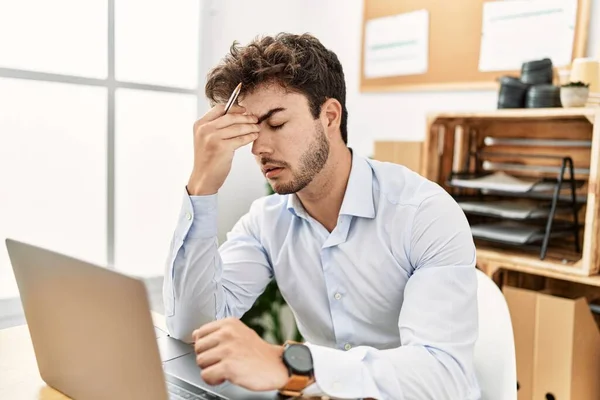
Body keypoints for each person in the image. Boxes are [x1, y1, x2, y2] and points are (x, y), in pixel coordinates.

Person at [163, 33, 480, 399]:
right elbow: (192, 328)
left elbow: (443, 377)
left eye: (277, 123)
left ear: (329, 115)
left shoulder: (424, 214)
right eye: (251, 131)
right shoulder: (266, 222)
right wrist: (202, 186)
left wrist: (294, 365)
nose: (259, 148)